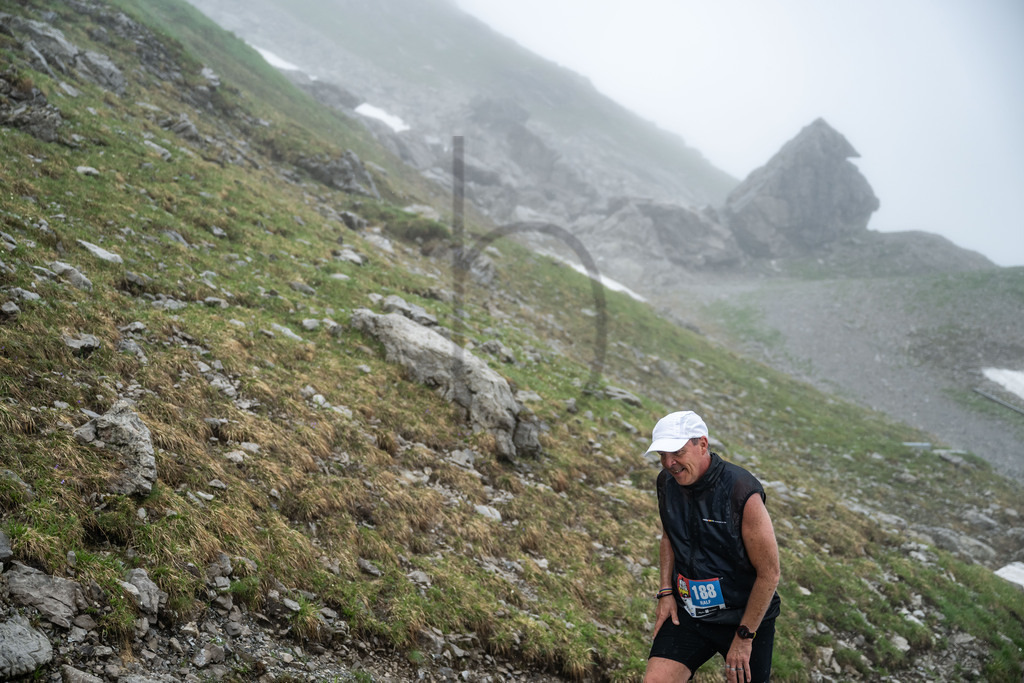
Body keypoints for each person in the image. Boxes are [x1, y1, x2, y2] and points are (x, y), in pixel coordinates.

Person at [643, 410, 781, 683]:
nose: (669, 463)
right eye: (662, 455)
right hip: (689, 612)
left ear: (702, 444)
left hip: (742, 617)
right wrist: (666, 592)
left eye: (677, 453)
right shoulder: (667, 482)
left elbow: (770, 573)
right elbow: (669, 537)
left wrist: (745, 636)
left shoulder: (741, 491)